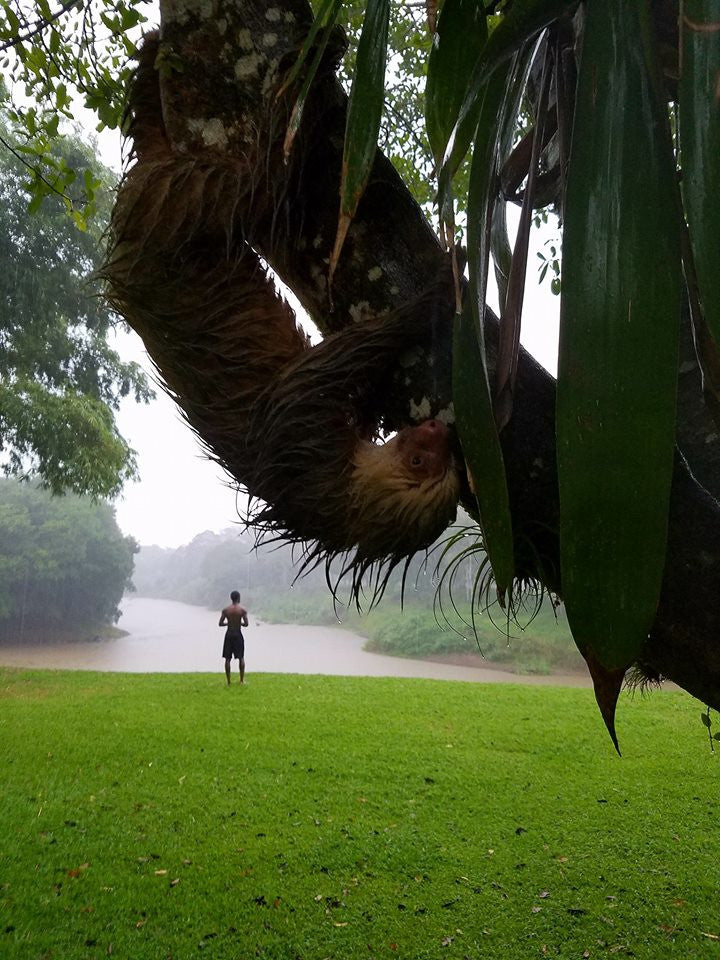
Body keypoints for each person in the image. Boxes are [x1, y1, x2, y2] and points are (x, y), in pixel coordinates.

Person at [219, 590, 249, 685]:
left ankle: (228, 682)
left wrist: (229, 623)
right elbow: (246, 624)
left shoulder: (226, 610)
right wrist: (238, 622)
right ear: (239, 598)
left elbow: (220, 623)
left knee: (227, 658)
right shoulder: (242, 610)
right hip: (238, 633)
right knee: (241, 657)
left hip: (229, 634)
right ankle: (241, 680)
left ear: (231, 598)